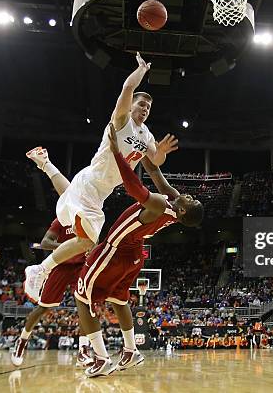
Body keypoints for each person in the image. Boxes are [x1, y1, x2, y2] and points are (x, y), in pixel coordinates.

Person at [24, 52, 179, 301]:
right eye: (141, 104)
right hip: (91, 182)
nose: (145, 109)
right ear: (131, 106)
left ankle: (46, 164)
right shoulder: (121, 120)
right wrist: (141, 70)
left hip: (99, 190)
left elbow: (155, 160)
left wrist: (160, 152)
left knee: (71, 205)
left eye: (148, 108)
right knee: (88, 241)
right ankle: (40, 270)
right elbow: (128, 87)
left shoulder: (147, 135)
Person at [74, 123, 203, 377]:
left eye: (191, 200)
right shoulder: (173, 200)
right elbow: (154, 172)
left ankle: (100, 358)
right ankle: (131, 351)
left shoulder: (157, 205)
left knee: (81, 295)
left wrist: (116, 152)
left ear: (184, 211)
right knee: (119, 300)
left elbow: (133, 187)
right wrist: (144, 149)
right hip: (134, 255)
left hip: (115, 251)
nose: (188, 195)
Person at [11, 217, 93, 367]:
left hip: (80, 266)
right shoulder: (61, 220)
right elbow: (45, 243)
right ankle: (21, 340)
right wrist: (69, 247)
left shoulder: (86, 217)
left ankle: (83, 349)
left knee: (84, 305)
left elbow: (94, 243)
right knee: (43, 307)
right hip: (60, 265)